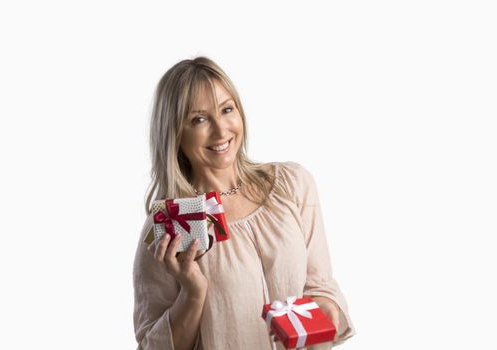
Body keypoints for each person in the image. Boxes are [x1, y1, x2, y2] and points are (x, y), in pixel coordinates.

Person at [133, 56, 356, 350]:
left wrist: (325, 311)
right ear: (175, 133)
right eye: (199, 119)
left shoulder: (292, 185)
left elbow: (321, 287)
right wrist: (193, 293)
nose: (221, 130)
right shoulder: (172, 227)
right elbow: (152, 346)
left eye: (227, 110)